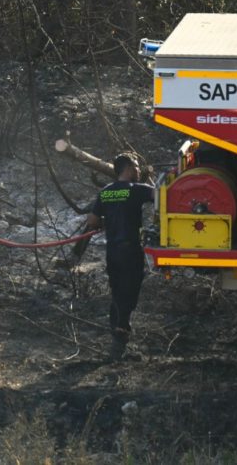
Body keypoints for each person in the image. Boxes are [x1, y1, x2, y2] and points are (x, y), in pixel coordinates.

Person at [82, 153, 155, 360]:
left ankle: (117, 333)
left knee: (117, 288)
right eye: (137, 167)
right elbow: (161, 196)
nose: (139, 171)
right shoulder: (136, 190)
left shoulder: (105, 193)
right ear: (129, 167)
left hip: (112, 250)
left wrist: (108, 222)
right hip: (131, 249)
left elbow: (93, 221)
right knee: (131, 287)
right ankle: (122, 327)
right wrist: (152, 181)